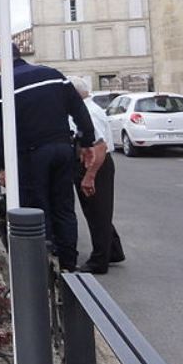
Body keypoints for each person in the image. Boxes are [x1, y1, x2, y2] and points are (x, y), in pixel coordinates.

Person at [0, 43, 95, 271]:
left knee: (37, 205)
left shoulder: (2, 86)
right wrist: (87, 142)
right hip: (63, 148)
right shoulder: (52, 74)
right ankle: (69, 264)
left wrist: (4, 165)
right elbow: (78, 108)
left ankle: (42, 266)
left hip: (32, 154)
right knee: (64, 206)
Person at [68, 77, 125, 274]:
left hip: (94, 165)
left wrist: (89, 176)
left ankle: (99, 260)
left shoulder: (88, 113)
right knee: (99, 211)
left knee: (97, 213)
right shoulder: (88, 109)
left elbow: (99, 147)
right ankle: (113, 250)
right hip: (93, 164)